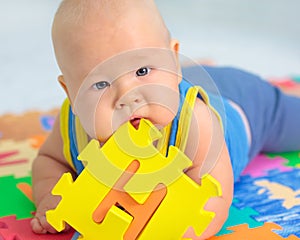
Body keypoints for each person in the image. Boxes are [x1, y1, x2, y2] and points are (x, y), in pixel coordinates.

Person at [30, 0, 300, 239]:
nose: (128, 97)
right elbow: (50, 160)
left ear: (173, 59)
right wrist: (53, 196)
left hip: (249, 105)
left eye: (142, 70)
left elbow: (214, 199)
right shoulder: (72, 124)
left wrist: (166, 231)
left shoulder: (195, 122)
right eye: (100, 84)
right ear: (71, 93)